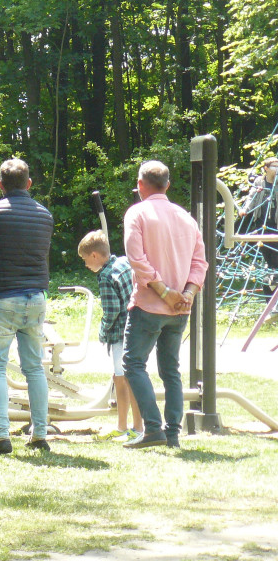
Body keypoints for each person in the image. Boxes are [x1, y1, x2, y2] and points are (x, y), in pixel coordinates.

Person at [121, 160, 208, 450]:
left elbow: (136, 259)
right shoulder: (186, 218)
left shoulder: (137, 213)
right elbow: (200, 262)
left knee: (133, 364)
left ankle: (153, 428)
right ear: (167, 185)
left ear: (140, 184)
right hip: (180, 308)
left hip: (148, 306)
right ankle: (173, 434)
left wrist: (164, 291)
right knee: (171, 370)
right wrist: (188, 293)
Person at [0, 158, 53, 454]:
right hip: (37, 297)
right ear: (28, 183)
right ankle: (40, 434)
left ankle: (1, 436)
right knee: (34, 368)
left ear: (0, 185)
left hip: (3, 296)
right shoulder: (45, 214)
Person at [77, 229, 143, 442]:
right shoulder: (123, 263)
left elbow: (112, 310)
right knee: (122, 378)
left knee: (125, 379)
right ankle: (124, 426)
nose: (86, 265)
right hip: (136, 328)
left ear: (94, 255)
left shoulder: (106, 276)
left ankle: (135, 427)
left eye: (85, 259)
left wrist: (103, 331)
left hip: (119, 334)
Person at [239, 156, 278, 288]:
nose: (277, 169)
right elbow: (252, 197)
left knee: (275, 252)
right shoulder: (259, 182)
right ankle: (270, 279)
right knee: (266, 251)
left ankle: (273, 276)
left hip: (276, 224)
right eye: (274, 166)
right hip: (262, 224)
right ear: (266, 168)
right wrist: (245, 209)